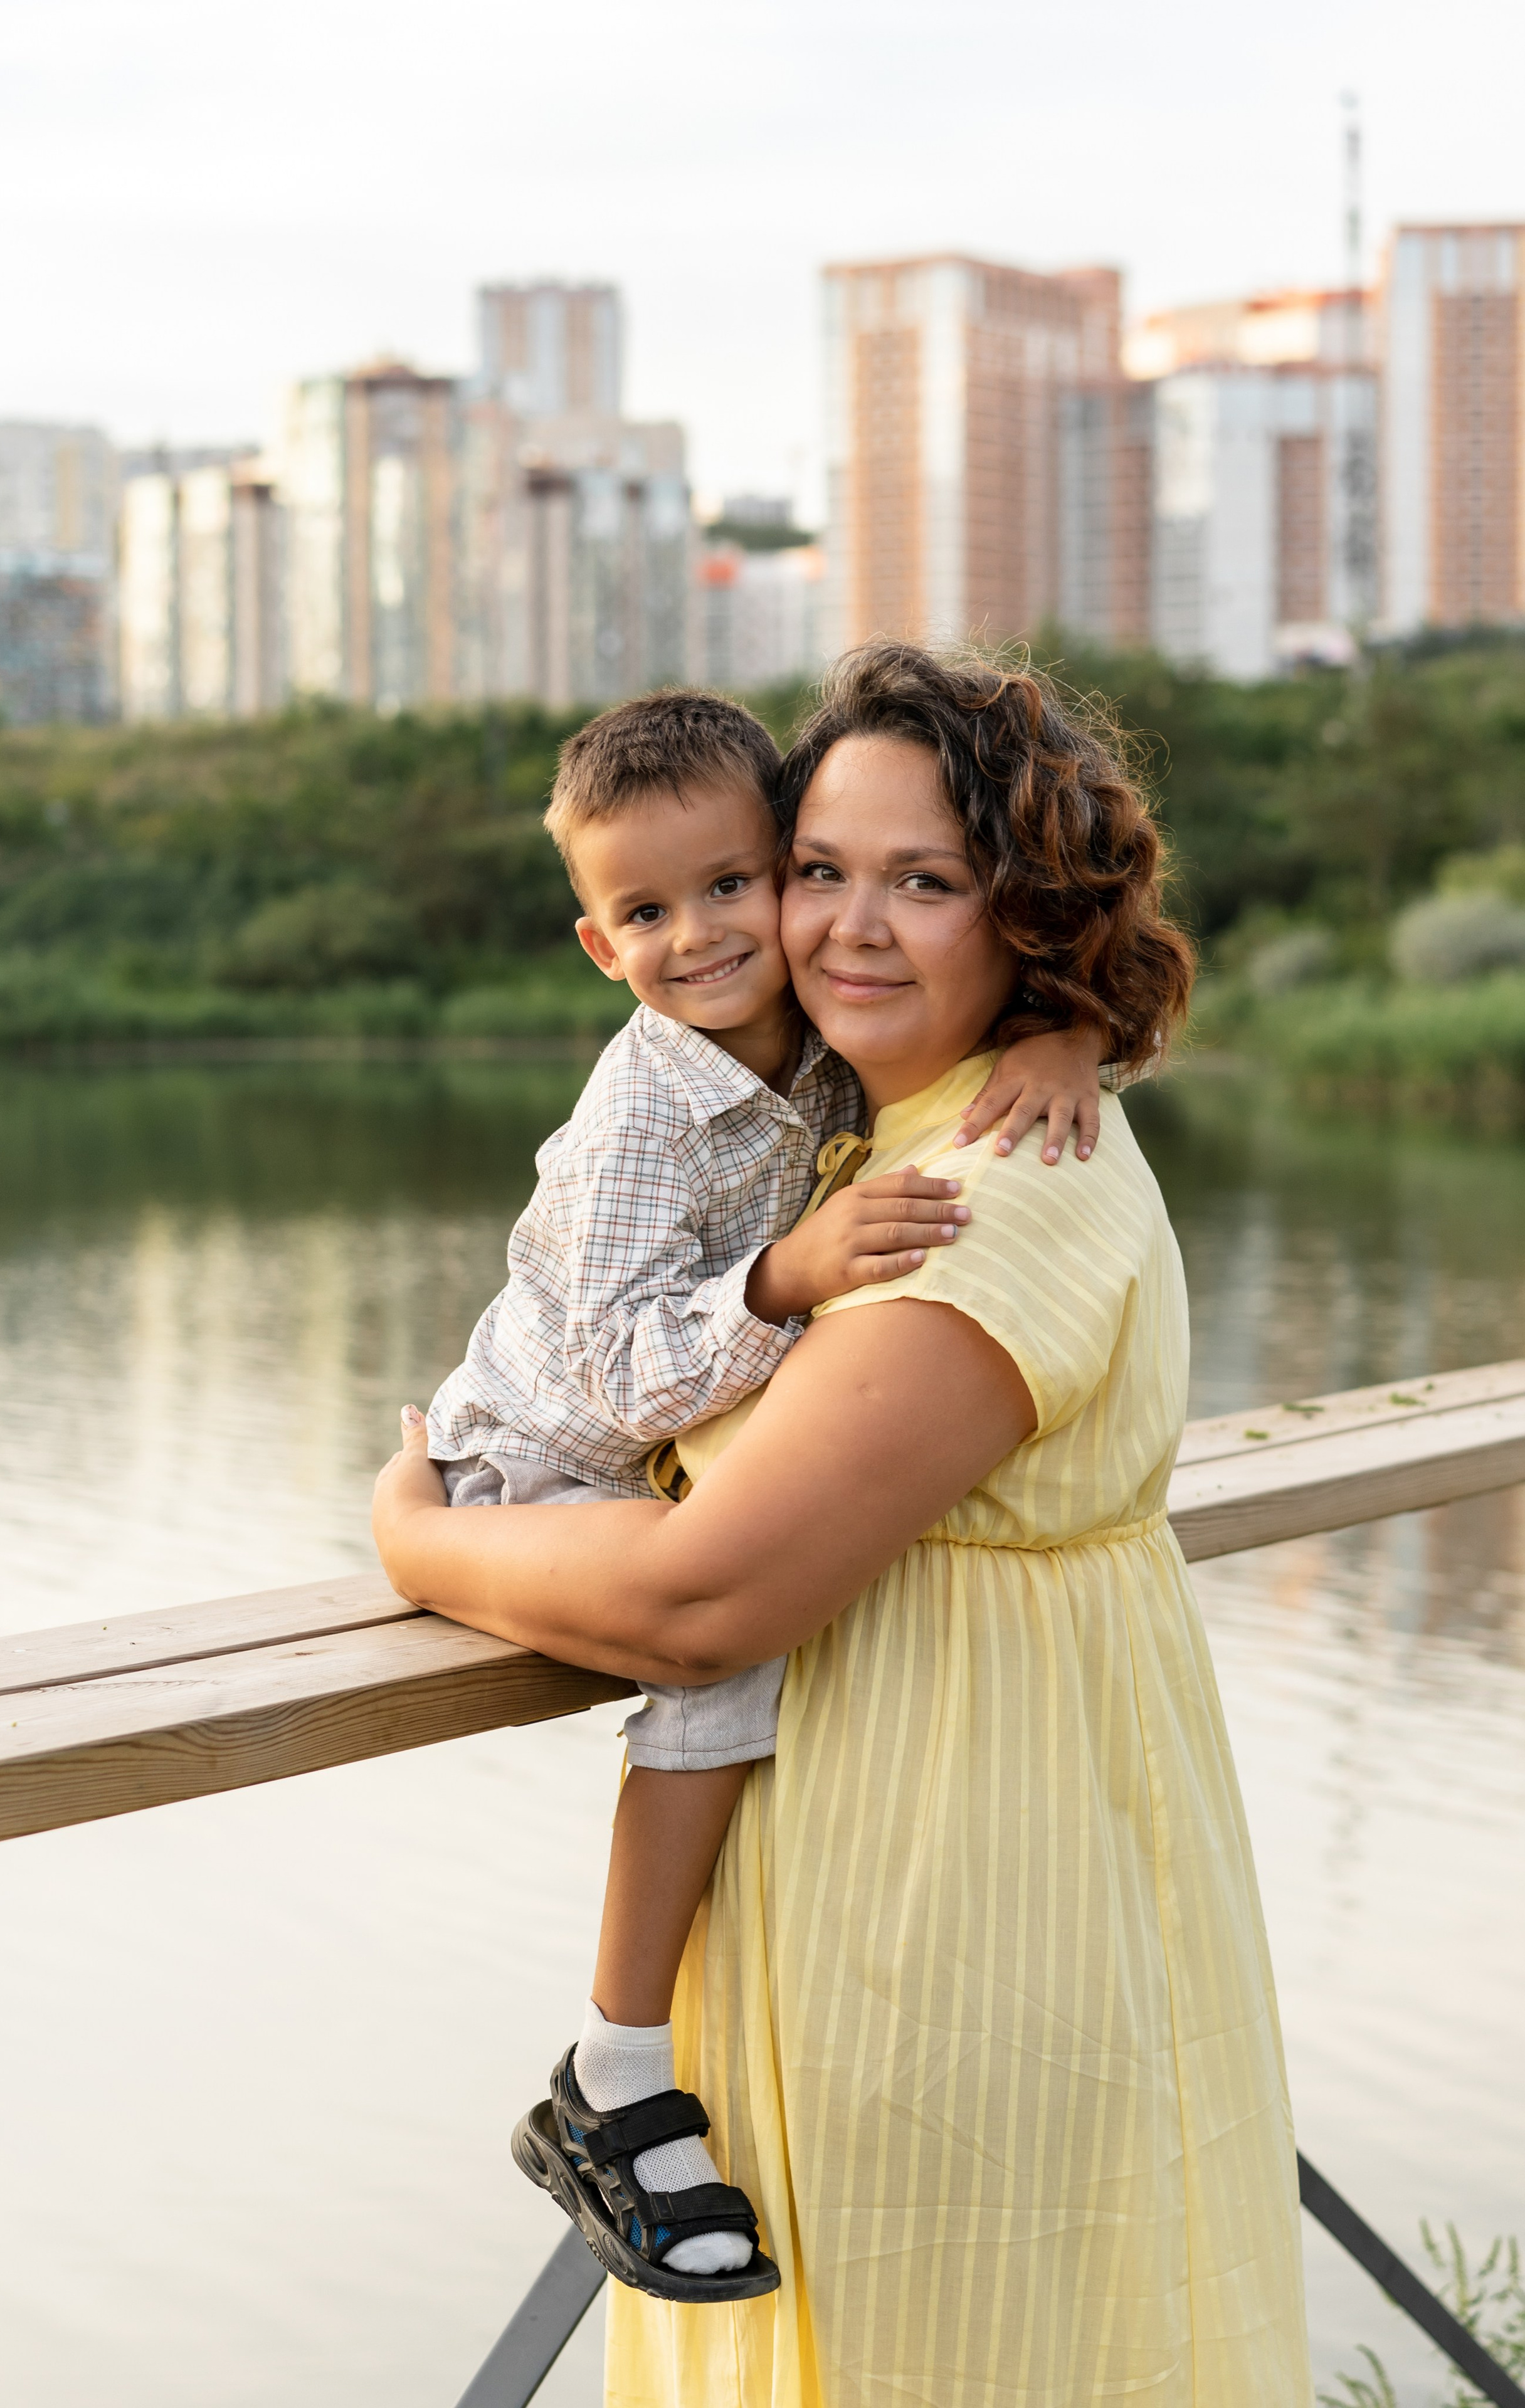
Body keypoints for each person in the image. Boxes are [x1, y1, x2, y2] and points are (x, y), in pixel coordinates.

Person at [377, 641, 1312, 2404]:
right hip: (973, 1852)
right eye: (819, 871)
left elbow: (703, 1597)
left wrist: (418, 1546)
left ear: (1022, 910)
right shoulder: (891, 1119)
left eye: (926, 880)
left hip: (949, 1912)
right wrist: (1071, 1021)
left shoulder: (983, 1189)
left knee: (939, 2346)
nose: (844, 927)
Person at [419, 685, 1112, 2298]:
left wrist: (1074, 1032)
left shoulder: (822, 1030)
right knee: (715, 1648)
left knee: (734, 1617)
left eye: (736, 884)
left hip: (644, 1461)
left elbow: (1026, 979)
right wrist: (784, 1278)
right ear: (598, 946)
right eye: (647, 912)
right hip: (536, 1465)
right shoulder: (639, 1112)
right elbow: (615, 1382)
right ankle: (616, 2070)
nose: (708, 936)